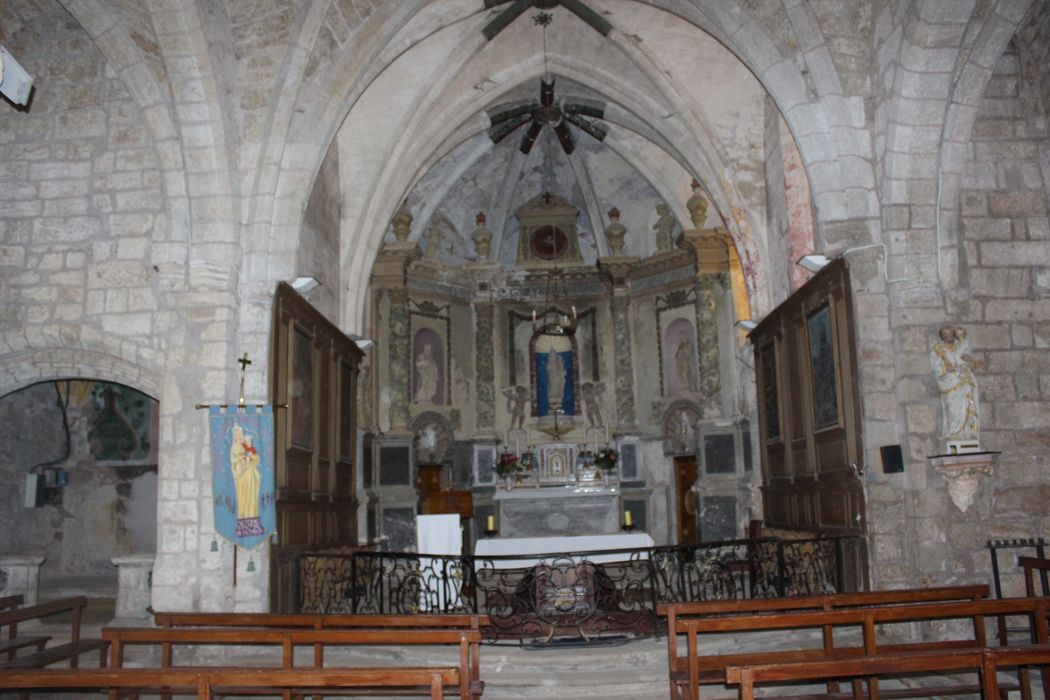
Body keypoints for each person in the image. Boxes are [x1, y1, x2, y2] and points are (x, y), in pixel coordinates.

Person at [930, 324, 979, 442]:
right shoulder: (938, 350)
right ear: (942, 336)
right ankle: (954, 433)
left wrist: (969, 364)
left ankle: (966, 432)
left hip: (964, 382)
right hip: (951, 384)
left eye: (952, 333)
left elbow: (968, 360)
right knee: (954, 409)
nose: (951, 336)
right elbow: (935, 369)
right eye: (947, 334)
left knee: (967, 405)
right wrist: (946, 369)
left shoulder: (959, 348)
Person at [230, 424, 262, 534]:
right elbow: (234, 462)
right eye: (236, 434)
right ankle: (243, 523)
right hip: (242, 476)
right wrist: (243, 460)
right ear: (234, 436)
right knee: (243, 498)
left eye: (239, 434)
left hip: (251, 474)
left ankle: (253, 522)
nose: (238, 436)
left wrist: (252, 457)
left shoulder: (245, 445)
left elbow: (256, 458)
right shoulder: (234, 447)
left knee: (252, 496)